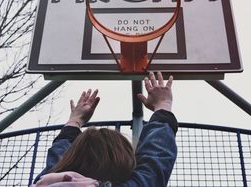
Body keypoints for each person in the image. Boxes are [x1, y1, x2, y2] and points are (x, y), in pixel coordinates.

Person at [33, 72, 178, 186]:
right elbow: (156, 156)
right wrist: (163, 104)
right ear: (122, 162)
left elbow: (59, 163)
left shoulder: (46, 181)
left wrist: (74, 120)